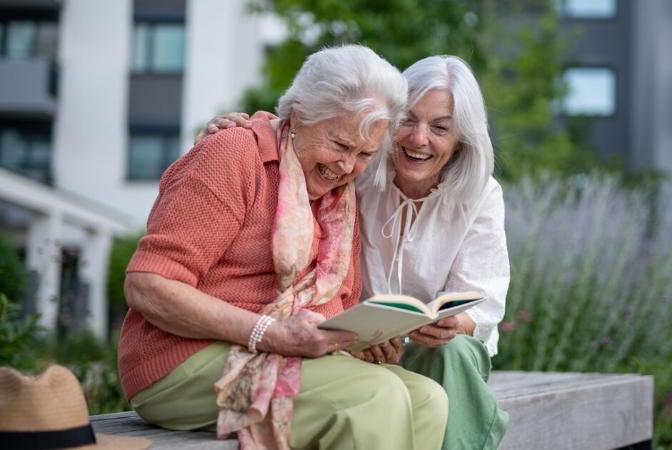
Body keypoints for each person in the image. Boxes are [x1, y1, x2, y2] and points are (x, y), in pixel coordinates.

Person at [119, 45, 448, 450]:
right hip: (182, 363)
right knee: (374, 396)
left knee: (428, 400)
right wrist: (270, 332)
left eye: (365, 154)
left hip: (288, 357)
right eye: (341, 145)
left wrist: (364, 339)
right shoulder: (234, 154)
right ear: (299, 114)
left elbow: (333, 307)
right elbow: (147, 285)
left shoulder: (340, 199)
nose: (347, 167)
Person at [205, 54, 510, 450]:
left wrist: (457, 323)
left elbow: (484, 299)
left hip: (437, 350)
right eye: (407, 121)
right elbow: (302, 134)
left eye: (439, 128)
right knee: (387, 395)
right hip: (352, 342)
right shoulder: (356, 170)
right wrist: (248, 126)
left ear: (461, 140)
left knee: (449, 354)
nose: (419, 139)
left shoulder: (481, 195)